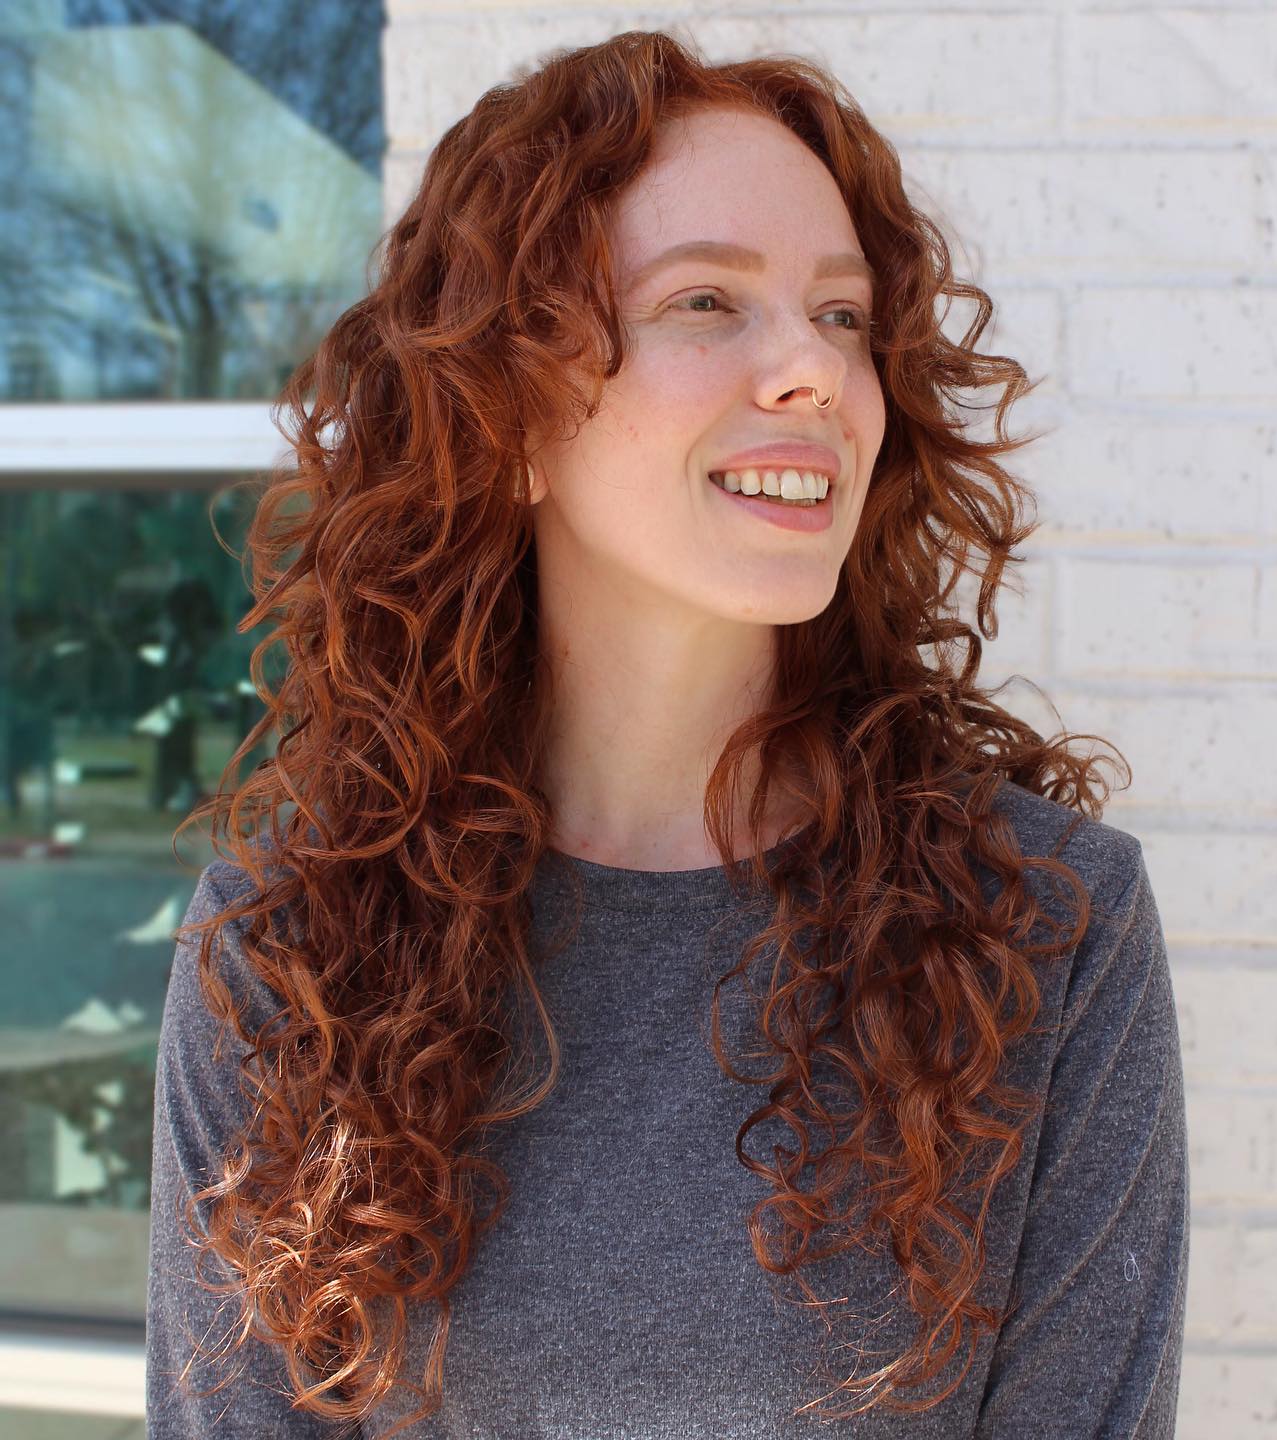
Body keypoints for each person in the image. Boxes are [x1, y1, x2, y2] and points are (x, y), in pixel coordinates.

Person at [146, 28, 1189, 1440]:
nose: (812, 373)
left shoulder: (1049, 932)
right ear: (506, 413)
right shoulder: (286, 959)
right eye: (707, 301)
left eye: (841, 316)